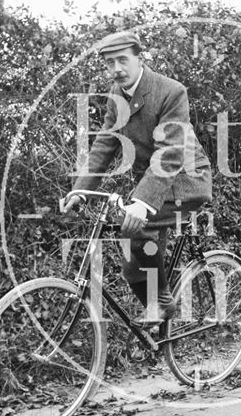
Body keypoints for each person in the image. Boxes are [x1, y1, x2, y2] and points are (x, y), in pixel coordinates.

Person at [63, 31, 212, 329]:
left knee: (137, 227)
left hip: (187, 180)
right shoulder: (116, 97)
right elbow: (105, 145)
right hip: (155, 183)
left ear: (139, 59)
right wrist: (80, 191)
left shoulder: (171, 91)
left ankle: (161, 303)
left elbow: (169, 153)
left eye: (122, 60)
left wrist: (142, 203)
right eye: (109, 63)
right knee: (132, 262)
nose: (116, 68)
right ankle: (159, 317)